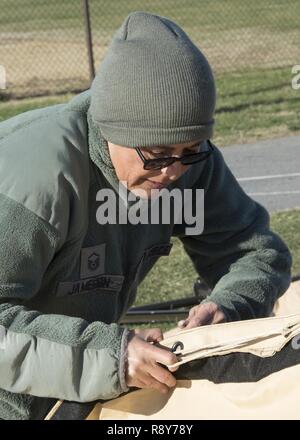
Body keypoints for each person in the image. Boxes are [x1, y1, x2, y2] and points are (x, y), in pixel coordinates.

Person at [0, 11, 292, 420]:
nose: (173, 172)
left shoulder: (188, 163)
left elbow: (256, 254)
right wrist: (111, 358)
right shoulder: (34, 175)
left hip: (77, 399)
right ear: (109, 129)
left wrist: (231, 305)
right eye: (156, 157)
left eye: (191, 150)